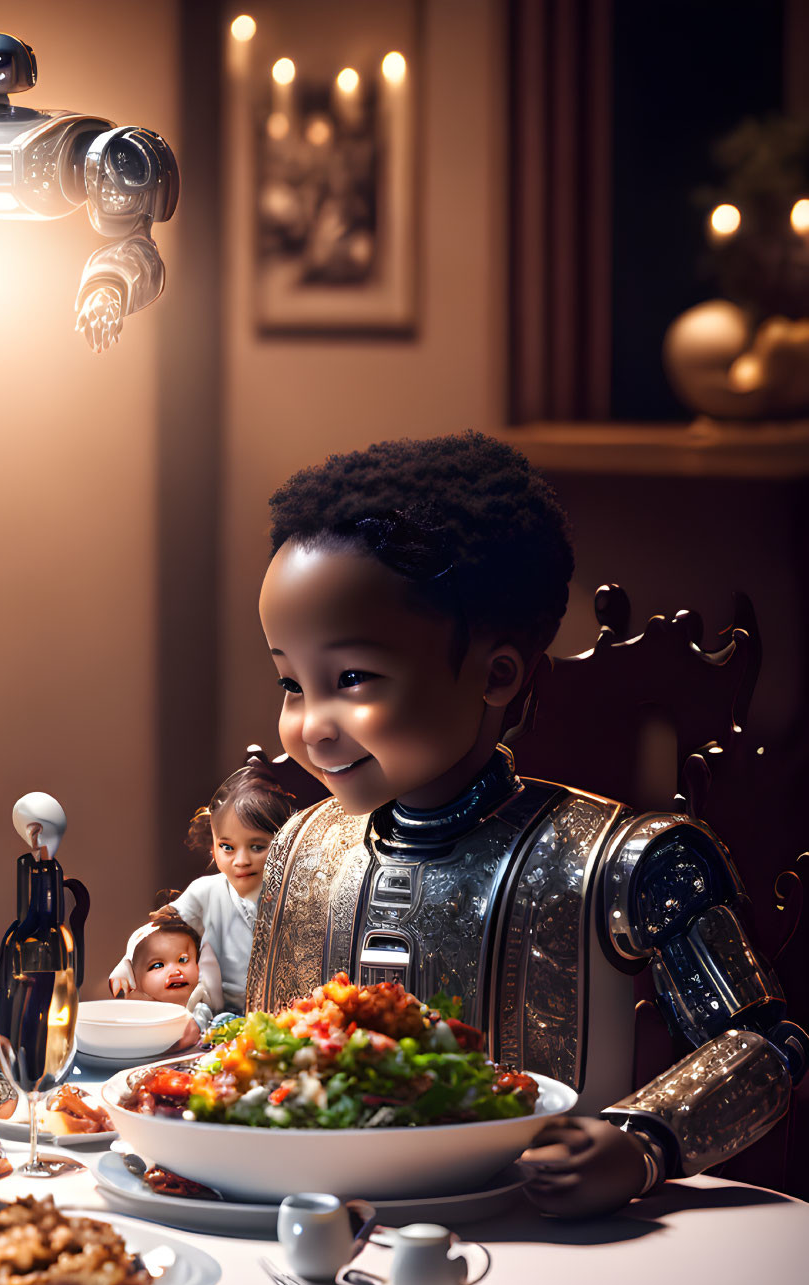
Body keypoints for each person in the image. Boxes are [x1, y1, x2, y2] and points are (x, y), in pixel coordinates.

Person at [248, 431, 805, 1217]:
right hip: (309, 1232)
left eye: (350, 679)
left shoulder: (625, 861)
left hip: (547, 1247)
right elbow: (253, 1047)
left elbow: (767, 1048)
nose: (311, 727)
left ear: (497, 674)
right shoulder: (303, 848)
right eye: (291, 683)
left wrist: (643, 1141)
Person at [110, 768, 300, 1015]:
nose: (240, 861)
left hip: (290, 1015)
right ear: (213, 846)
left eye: (256, 846)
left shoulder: (299, 895)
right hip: (218, 1017)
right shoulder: (207, 891)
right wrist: (127, 959)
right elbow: (157, 926)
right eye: (227, 847)